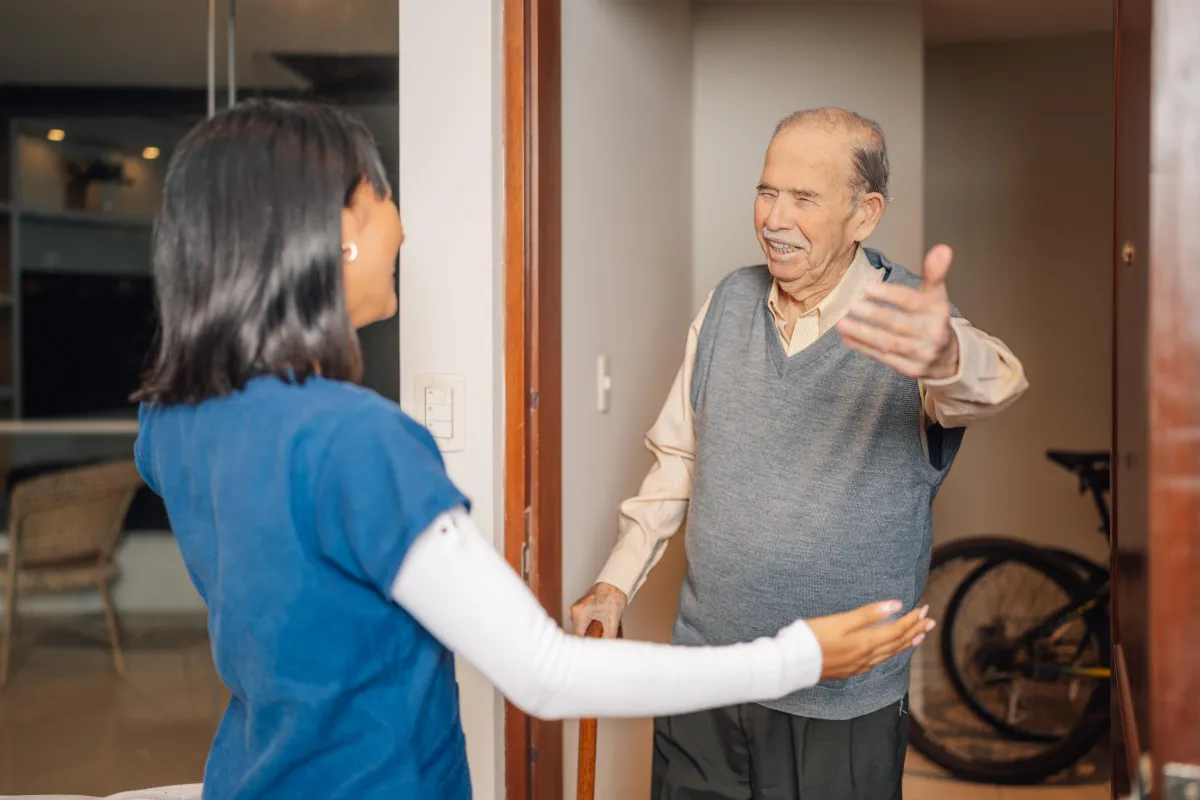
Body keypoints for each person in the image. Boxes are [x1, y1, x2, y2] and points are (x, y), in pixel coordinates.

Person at [130, 100, 934, 800]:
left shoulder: (174, 423)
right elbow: (544, 672)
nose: (402, 226)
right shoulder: (358, 443)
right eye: (381, 195)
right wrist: (796, 655)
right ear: (330, 233)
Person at [570, 108, 1029, 800]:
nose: (774, 218)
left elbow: (996, 383)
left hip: (840, 697)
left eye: (804, 198)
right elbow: (679, 459)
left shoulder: (906, 319)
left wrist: (947, 356)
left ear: (864, 214)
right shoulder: (728, 302)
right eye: (766, 191)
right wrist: (615, 581)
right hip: (707, 673)